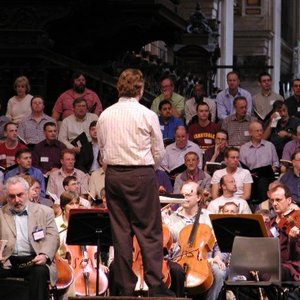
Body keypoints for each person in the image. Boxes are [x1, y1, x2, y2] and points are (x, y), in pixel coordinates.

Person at [97, 68, 173, 297]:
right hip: (140, 174)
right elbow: (158, 151)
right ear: (140, 89)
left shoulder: (105, 115)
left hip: (114, 176)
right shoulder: (146, 114)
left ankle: (124, 287)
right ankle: (156, 286)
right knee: (148, 231)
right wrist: (148, 168)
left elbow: (102, 150)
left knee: (120, 233)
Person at [164, 182, 227, 300]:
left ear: (198, 197)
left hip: (205, 261)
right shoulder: (170, 219)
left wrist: (218, 257)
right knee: (172, 271)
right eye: (182, 195)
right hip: (178, 261)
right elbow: (165, 244)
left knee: (219, 272)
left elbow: (219, 243)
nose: (184, 198)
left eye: (188, 195)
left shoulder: (209, 217)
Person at [0, 176, 59, 300]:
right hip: (6, 261)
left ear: (27, 193)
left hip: (34, 260)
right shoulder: (1, 213)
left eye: (20, 195)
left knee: (39, 273)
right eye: (11, 196)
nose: (16, 200)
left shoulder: (45, 211)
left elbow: (53, 236)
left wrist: (44, 255)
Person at [267, 184, 300, 295]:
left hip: (290, 266)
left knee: (275, 270)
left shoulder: (296, 219)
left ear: (289, 200)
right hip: (268, 263)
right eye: (272, 200)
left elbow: (295, 255)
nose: (274, 204)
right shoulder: (269, 223)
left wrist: (293, 240)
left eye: (278, 200)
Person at [239, 121, 279, 204]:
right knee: (254, 180)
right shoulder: (243, 148)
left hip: (267, 177)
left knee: (263, 181)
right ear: (250, 133)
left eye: (261, 130)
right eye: (257, 131)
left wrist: (272, 169)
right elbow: (241, 168)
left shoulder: (269, 146)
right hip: (251, 178)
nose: (260, 133)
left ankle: (263, 207)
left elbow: (276, 164)